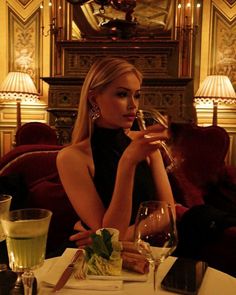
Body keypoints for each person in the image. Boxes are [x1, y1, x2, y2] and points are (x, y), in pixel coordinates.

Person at [56, 57, 175, 247]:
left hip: (150, 251)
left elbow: (168, 215)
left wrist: (116, 238)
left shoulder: (145, 144)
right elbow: (111, 230)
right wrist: (127, 161)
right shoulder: (72, 157)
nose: (133, 105)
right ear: (94, 99)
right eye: (122, 94)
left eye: (136, 95)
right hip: (101, 260)